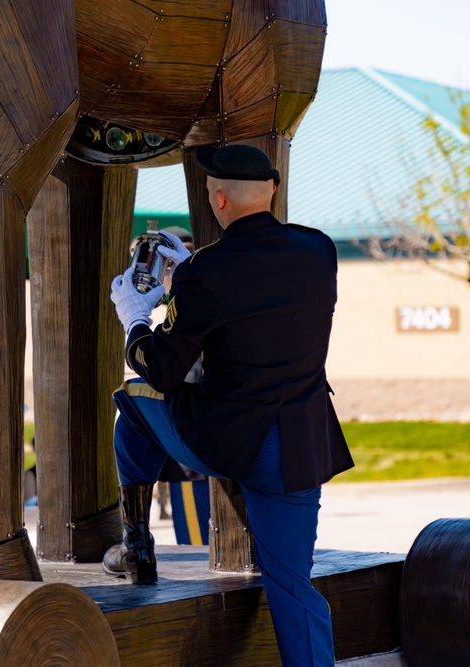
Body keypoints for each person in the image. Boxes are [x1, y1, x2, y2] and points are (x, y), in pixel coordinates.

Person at [104, 145, 354, 666]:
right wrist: (186, 280)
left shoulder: (206, 272)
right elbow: (257, 301)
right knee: (292, 587)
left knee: (131, 402)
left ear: (218, 198)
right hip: (298, 447)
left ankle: (135, 543)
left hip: (229, 444)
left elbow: (164, 368)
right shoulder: (319, 251)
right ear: (273, 191)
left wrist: (135, 317)